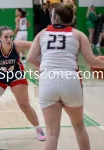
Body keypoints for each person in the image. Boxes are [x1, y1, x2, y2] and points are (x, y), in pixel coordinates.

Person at [27, 3, 104, 150]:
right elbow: (92, 61)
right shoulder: (78, 34)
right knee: (79, 127)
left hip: (47, 79)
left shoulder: (42, 33)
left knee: (51, 134)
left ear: (55, 17)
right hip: (70, 79)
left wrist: (43, 68)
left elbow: (30, 58)